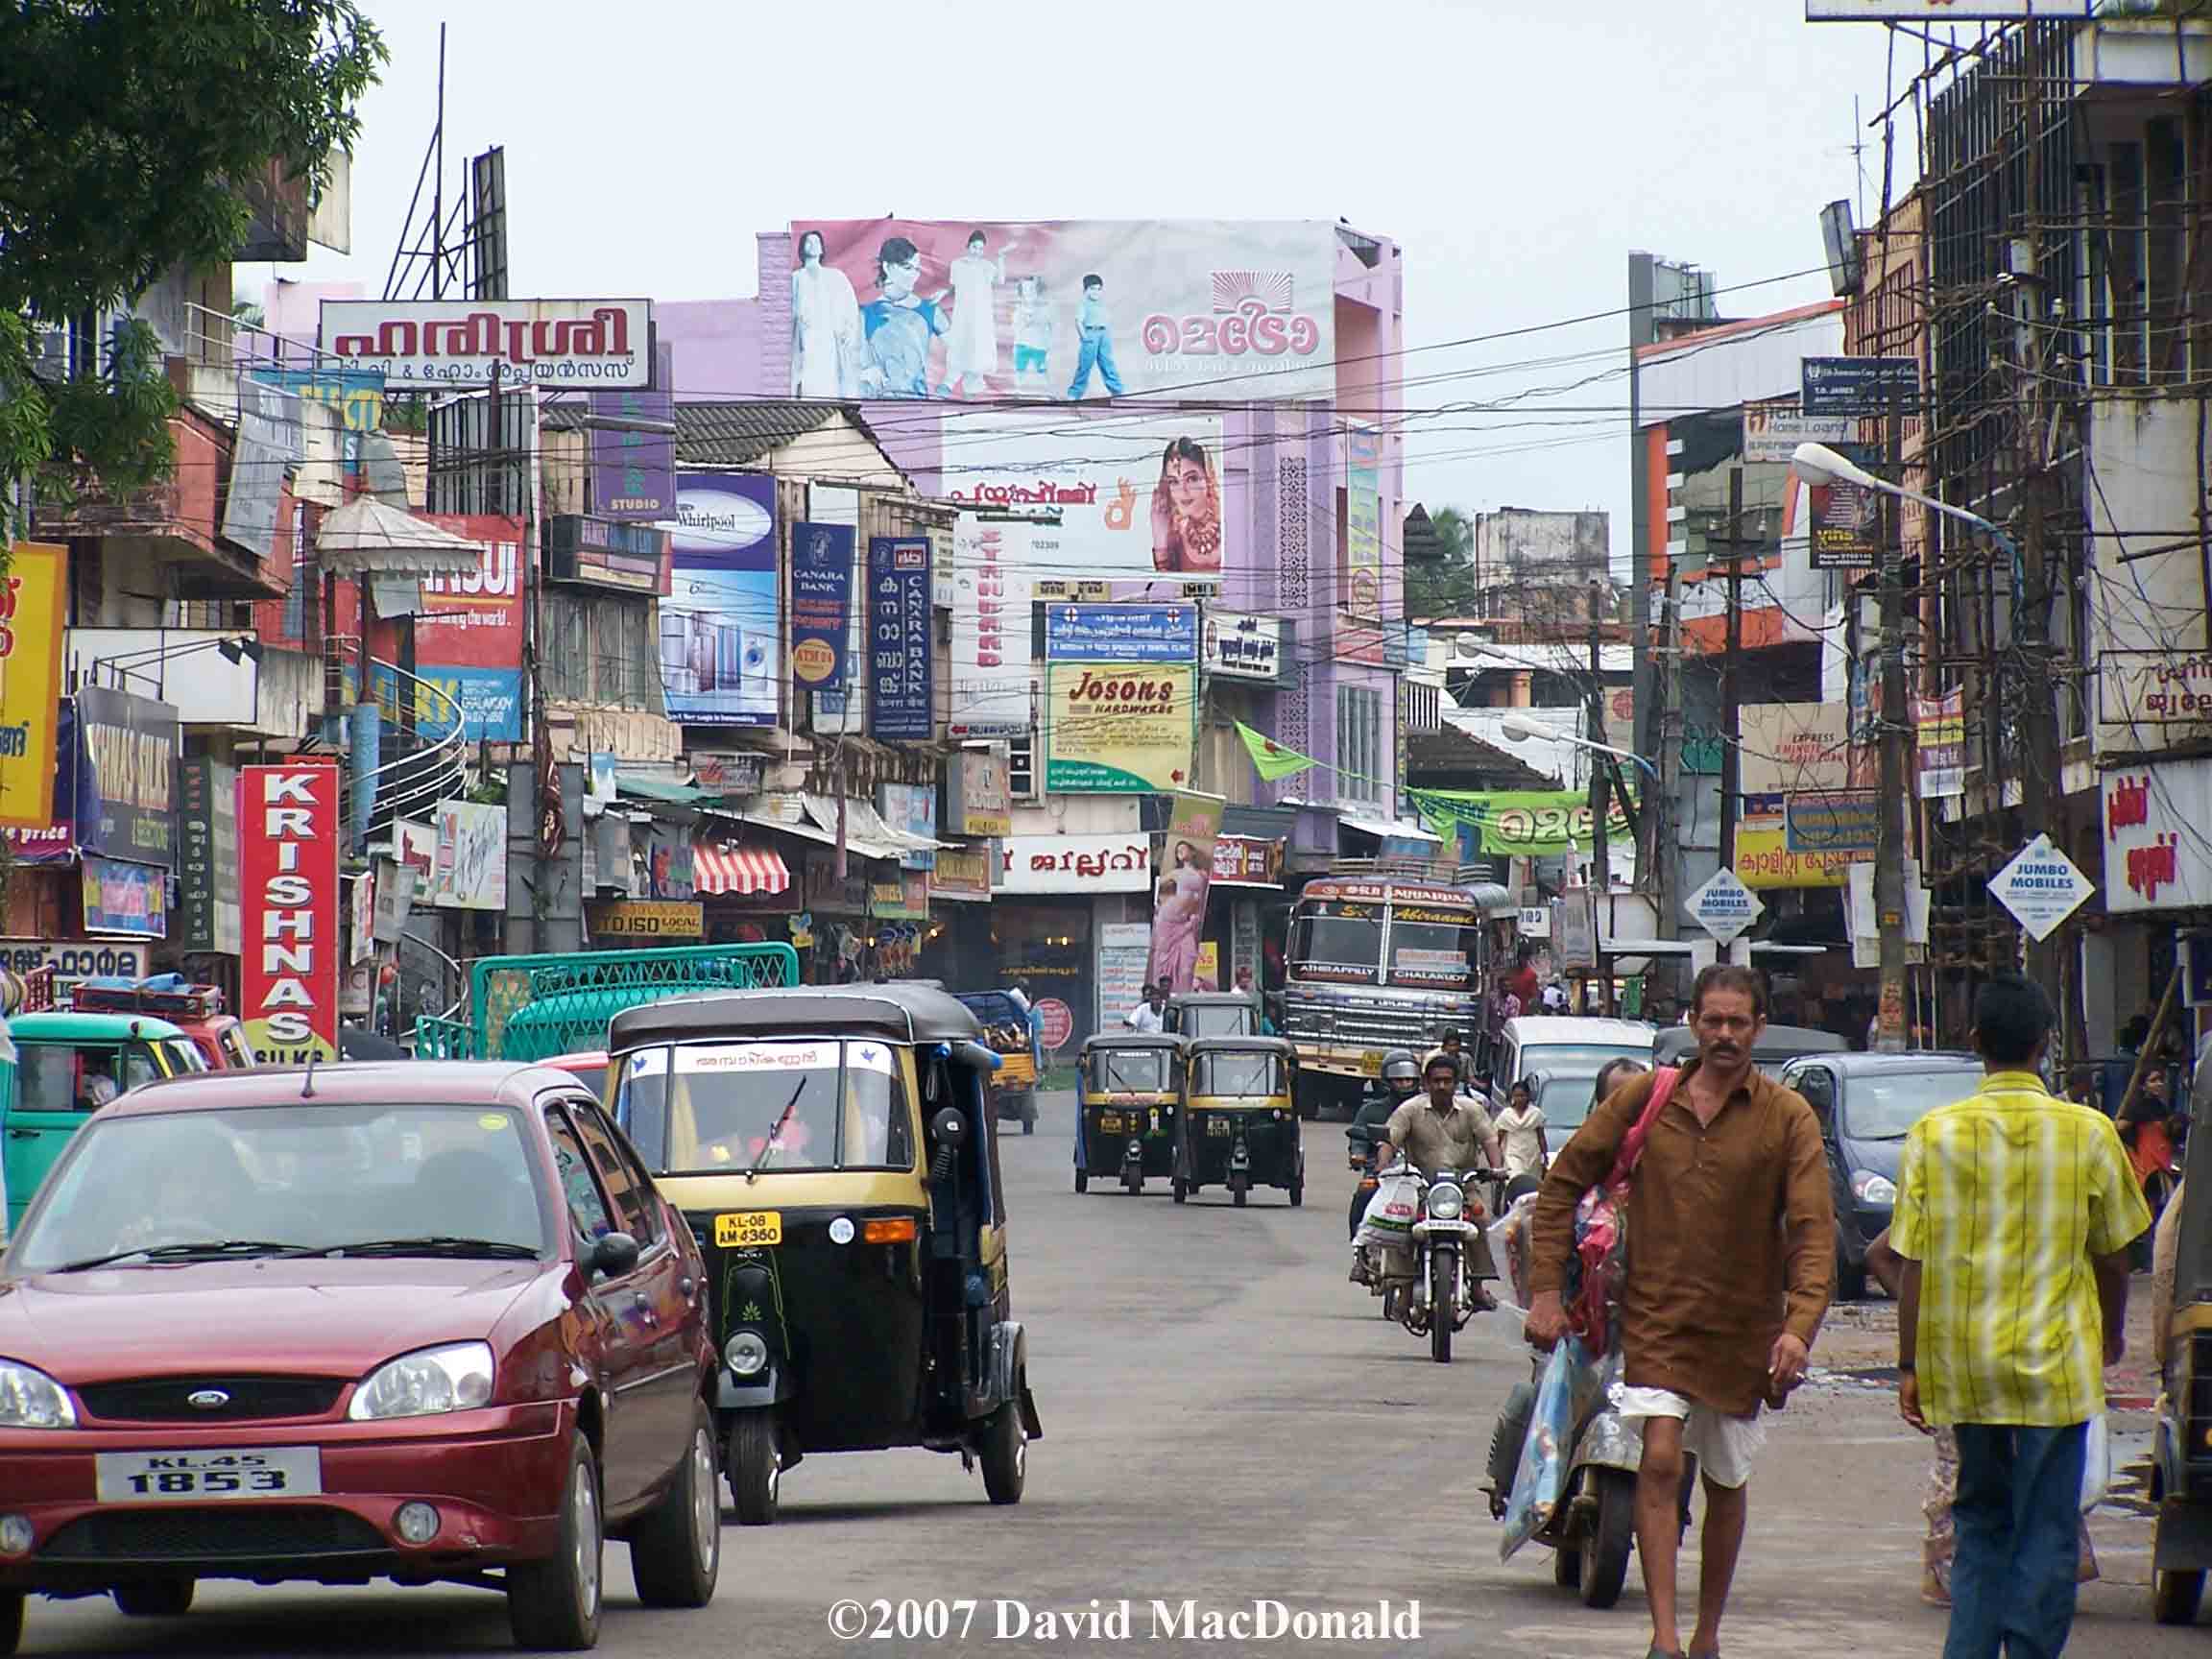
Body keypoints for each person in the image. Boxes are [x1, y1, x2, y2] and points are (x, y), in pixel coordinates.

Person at [1526, 964, 1834, 1659]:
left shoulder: (1788, 1118)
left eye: (1738, 1023)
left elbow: (1814, 1231)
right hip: (1655, 1317)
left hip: (1741, 1328)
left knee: (1726, 1479)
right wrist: (1547, 1291)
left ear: (1758, 1029)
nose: (1725, 1034)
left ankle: (1706, 1636)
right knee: (1659, 1458)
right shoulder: (1646, 1098)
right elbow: (1563, 1182)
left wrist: (1798, 1327)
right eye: (1713, 1021)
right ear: (1694, 1024)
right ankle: (1664, 1638)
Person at [1889, 970, 2150, 1659]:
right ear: (2045, 1043)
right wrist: (2114, 1334)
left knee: (1980, 1524)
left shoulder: (1933, 1134)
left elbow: (1910, 1262)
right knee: (2047, 1527)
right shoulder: (2090, 1134)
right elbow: (2117, 1256)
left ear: (1975, 1041)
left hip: (1965, 1373)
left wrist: (1909, 1366)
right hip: (2057, 1370)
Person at [1863, 1227, 2101, 1609]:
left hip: (1958, 1355)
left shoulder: (1955, 1192)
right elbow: (1883, 1255)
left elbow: (1882, 1255)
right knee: (2030, 1463)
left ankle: (1957, 1576)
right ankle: (2015, 1576)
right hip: (2029, 1354)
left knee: (1962, 1468)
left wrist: (1926, 1327)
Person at [1374, 1053, 1505, 1310]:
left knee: (1479, 1218)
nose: (1442, 1086)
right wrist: (1382, 1164)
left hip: (1462, 1186)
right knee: (1402, 1222)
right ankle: (1404, 1288)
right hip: (1419, 1186)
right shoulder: (1410, 1110)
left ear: (1456, 1083)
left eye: (1447, 1081)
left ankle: (1477, 1286)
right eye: (1436, 1081)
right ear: (1426, 1083)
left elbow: (1490, 1140)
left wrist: (1497, 1168)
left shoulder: (1471, 1110)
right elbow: (1390, 1140)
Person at [1348, 1048, 1424, 1256]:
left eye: (1409, 1079)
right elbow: (1358, 1136)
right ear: (1387, 1081)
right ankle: (1360, 1249)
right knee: (1365, 1191)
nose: (1405, 1084)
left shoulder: (1426, 1107)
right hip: (1381, 1170)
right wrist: (1358, 1154)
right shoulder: (1372, 1110)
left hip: (1421, 1170)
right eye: (1399, 1080)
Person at [859, 236, 950, 399]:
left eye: (917, 269)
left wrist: (947, 386)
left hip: (918, 408)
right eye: (907, 267)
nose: (914, 276)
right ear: (887, 267)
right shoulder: (865, 314)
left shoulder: (929, 310)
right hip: (873, 410)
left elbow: (958, 352)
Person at [789, 228, 861, 397]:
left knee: (830, 385)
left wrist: (847, 332)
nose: (813, 245)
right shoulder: (796, 278)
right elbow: (789, 310)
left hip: (829, 340)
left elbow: (849, 309)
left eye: (816, 242)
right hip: (806, 340)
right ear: (802, 248)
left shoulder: (835, 277)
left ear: (822, 249)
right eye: (809, 242)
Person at [939, 228, 1006, 397]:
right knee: (961, 342)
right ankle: (949, 382)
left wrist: (1000, 257)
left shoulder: (986, 266)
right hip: (963, 311)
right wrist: (941, 295)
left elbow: (1001, 280)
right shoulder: (958, 264)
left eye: (981, 248)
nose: (977, 251)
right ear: (968, 246)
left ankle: (972, 387)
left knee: (978, 347)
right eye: (975, 247)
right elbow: (954, 286)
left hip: (981, 314)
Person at [1150, 436, 1222, 574]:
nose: (1182, 491)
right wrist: (1159, 538)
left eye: (1192, 479)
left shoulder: (1230, 527)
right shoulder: (1175, 538)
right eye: (1173, 482)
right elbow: (1166, 589)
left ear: (1208, 479)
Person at [1065, 274, 1124, 399]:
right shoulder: (1083, 304)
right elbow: (1078, 321)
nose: (1096, 292)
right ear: (1085, 290)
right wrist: (1084, 337)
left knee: (1107, 363)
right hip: (1090, 334)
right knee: (1085, 364)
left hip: (1103, 334)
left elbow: (1106, 318)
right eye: (1092, 289)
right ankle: (1074, 393)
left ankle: (1117, 391)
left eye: (1098, 289)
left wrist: (1106, 333)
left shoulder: (1102, 304)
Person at [1494, 1076, 1549, 1180]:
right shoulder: (1506, 1115)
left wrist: (1544, 1156)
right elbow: (1499, 1138)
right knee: (1515, 1178)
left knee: (1530, 1183)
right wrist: (1498, 1158)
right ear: (1512, 1097)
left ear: (1528, 1096)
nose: (1520, 1099)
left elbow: (1541, 1137)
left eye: (1522, 1096)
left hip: (1532, 1156)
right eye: (1517, 1096)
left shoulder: (1536, 1113)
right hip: (1513, 1154)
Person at [1010, 274, 1055, 393]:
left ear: (1038, 291)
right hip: (1022, 345)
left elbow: (1050, 328)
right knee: (1020, 371)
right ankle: (1017, 391)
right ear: (1021, 292)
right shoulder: (1018, 310)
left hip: (1039, 346)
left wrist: (1049, 345)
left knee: (1042, 371)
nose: (1028, 293)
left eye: (1031, 289)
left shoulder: (1045, 310)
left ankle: (1048, 392)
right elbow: (1015, 329)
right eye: (1025, 290)